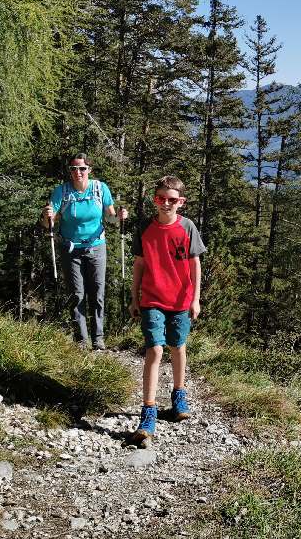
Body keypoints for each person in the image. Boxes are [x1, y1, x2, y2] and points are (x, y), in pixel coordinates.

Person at [128, 175, 205, 446]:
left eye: (172, 200)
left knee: (178, 346)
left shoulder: (188, 227)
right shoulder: (146, 228)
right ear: (155, 199)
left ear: (181, 202)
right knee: (155, 349)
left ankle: (178, 396)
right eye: (161, 198)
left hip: (181, 300)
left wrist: (195, 298)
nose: (166, 204)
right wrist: (134, 296)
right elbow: (139, 264)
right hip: (152, 297)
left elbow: (195, 264)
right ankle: (148, 412)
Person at [42, 152, 128, 351]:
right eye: (73, 169)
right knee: (77, 294)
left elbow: (111, 218)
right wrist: (46, 216)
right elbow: (49, 224)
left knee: (97, 293)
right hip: (70, 249)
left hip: (97, 246)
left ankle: (98, 338)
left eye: (82, 168)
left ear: (89, 170)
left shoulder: (100, 188)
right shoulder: (61, 192)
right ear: (70, 171)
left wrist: (120, 216)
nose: (78, 172)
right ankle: (81, 340)